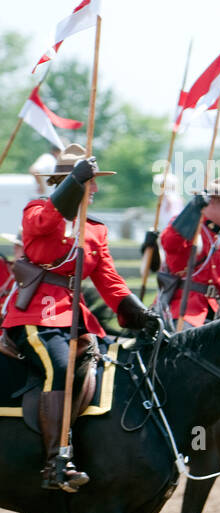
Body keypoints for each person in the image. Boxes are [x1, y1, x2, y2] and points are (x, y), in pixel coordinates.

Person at [1, 144, 160, 491]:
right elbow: (47, 221)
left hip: (75, 318)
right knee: (60, 366)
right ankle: (56, 461)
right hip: (33, 316)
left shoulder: (96, 230)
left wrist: (139, 312)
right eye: (91, 182)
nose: (96, 189)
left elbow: (109, 280)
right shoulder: (37, 211)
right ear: (69, 182)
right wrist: (73, 183)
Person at [154, 176, 220, 328]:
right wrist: (192, 210)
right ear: (211, 202)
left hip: (215, 315)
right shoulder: (189, 230)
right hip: (182, 311)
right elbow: (170, 243)